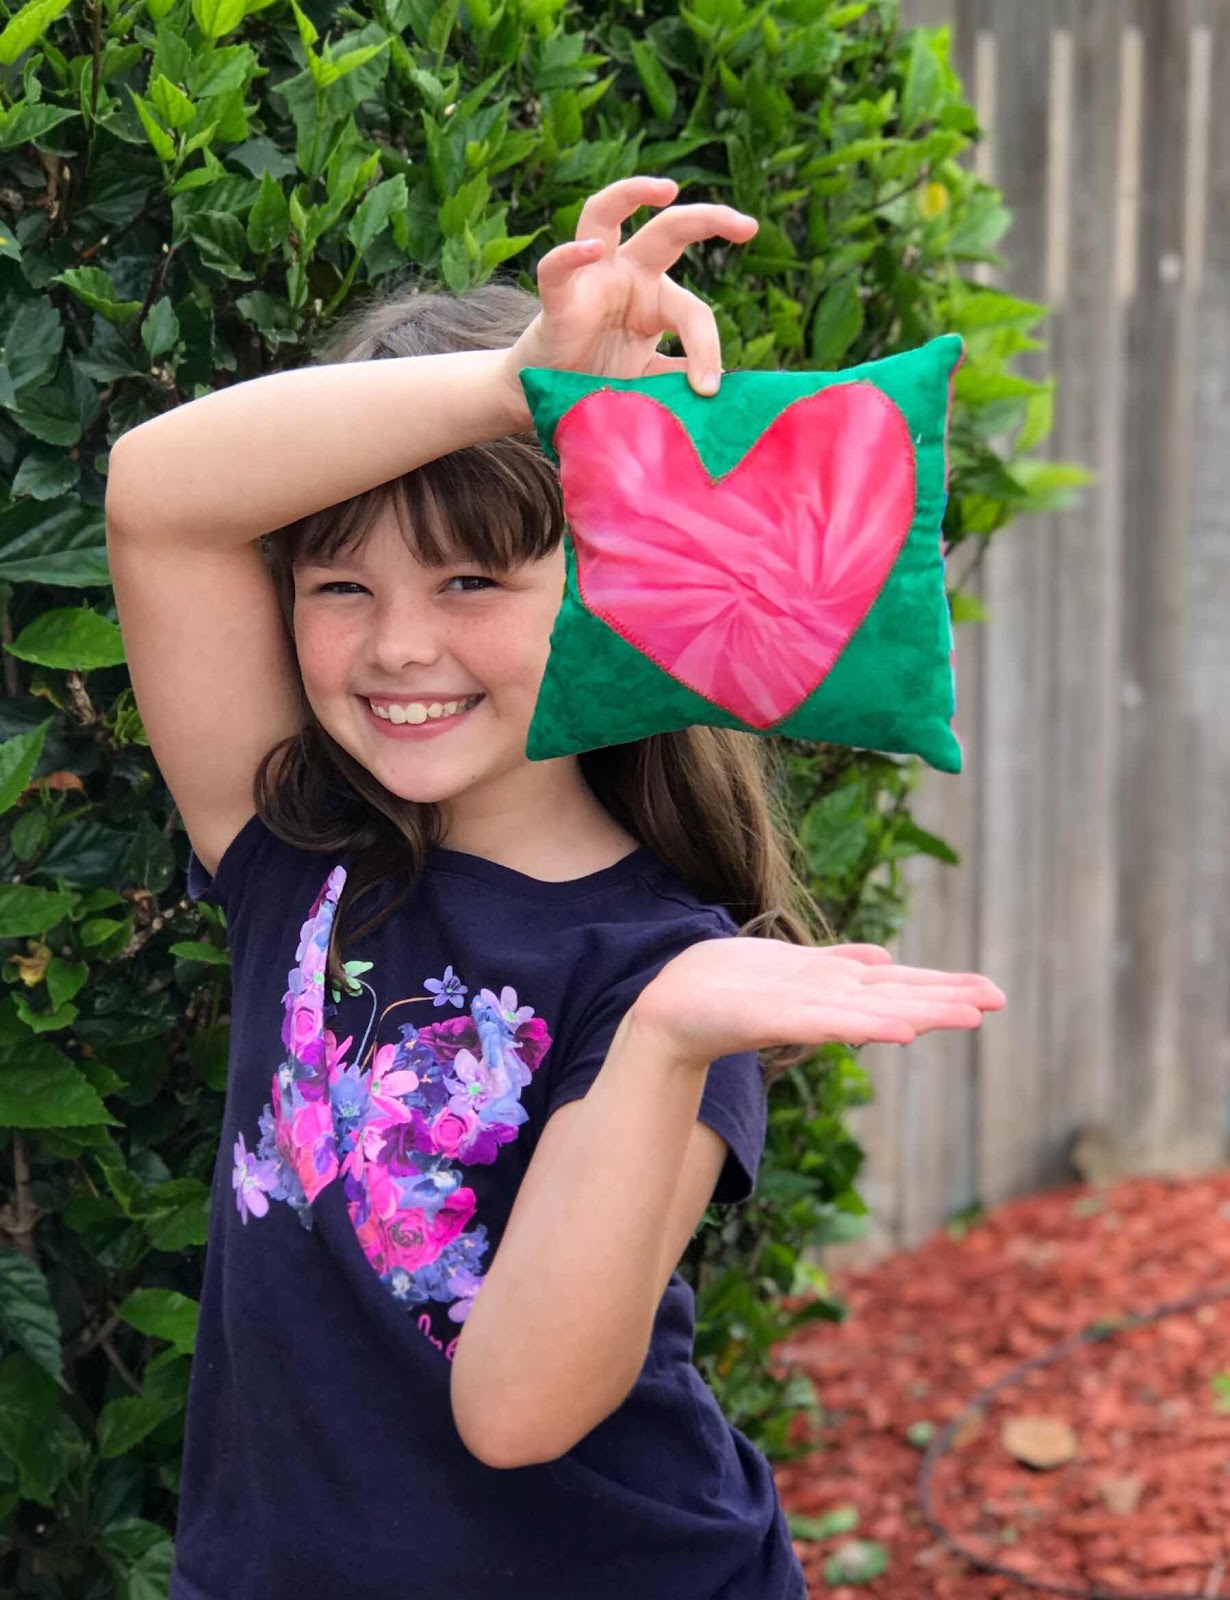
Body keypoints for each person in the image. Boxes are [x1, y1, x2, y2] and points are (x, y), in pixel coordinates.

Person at [104, 173, 1005, 1600]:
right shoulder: (295, 854)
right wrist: (517, 382)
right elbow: (155, 495)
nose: (399, 647)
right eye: (341, 587)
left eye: (470, 583)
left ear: (607, 591)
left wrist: (665, 1043)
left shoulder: (668, 986)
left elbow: (515, 1409)